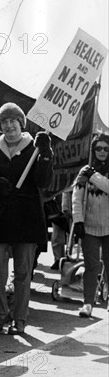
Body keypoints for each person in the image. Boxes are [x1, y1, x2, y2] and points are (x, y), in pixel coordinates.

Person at [0, 103, 53, 335]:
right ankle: (1, 313)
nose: (9, 125)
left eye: (13, 120)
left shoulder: (35, 148)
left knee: (23, 270)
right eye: (4, 121)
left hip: (27, 215)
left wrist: (45, 155)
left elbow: (43, 182)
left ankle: (20, 318)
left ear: (21, 123)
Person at [72, 133, 109, 318]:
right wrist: (78, 221)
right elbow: (76, 198)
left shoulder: (90, 173)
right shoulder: (84, 172)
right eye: (98, 148)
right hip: (90, 227)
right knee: (91, 265)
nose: (102, 152)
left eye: (106, 148)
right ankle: (87, 302)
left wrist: (93, 175)